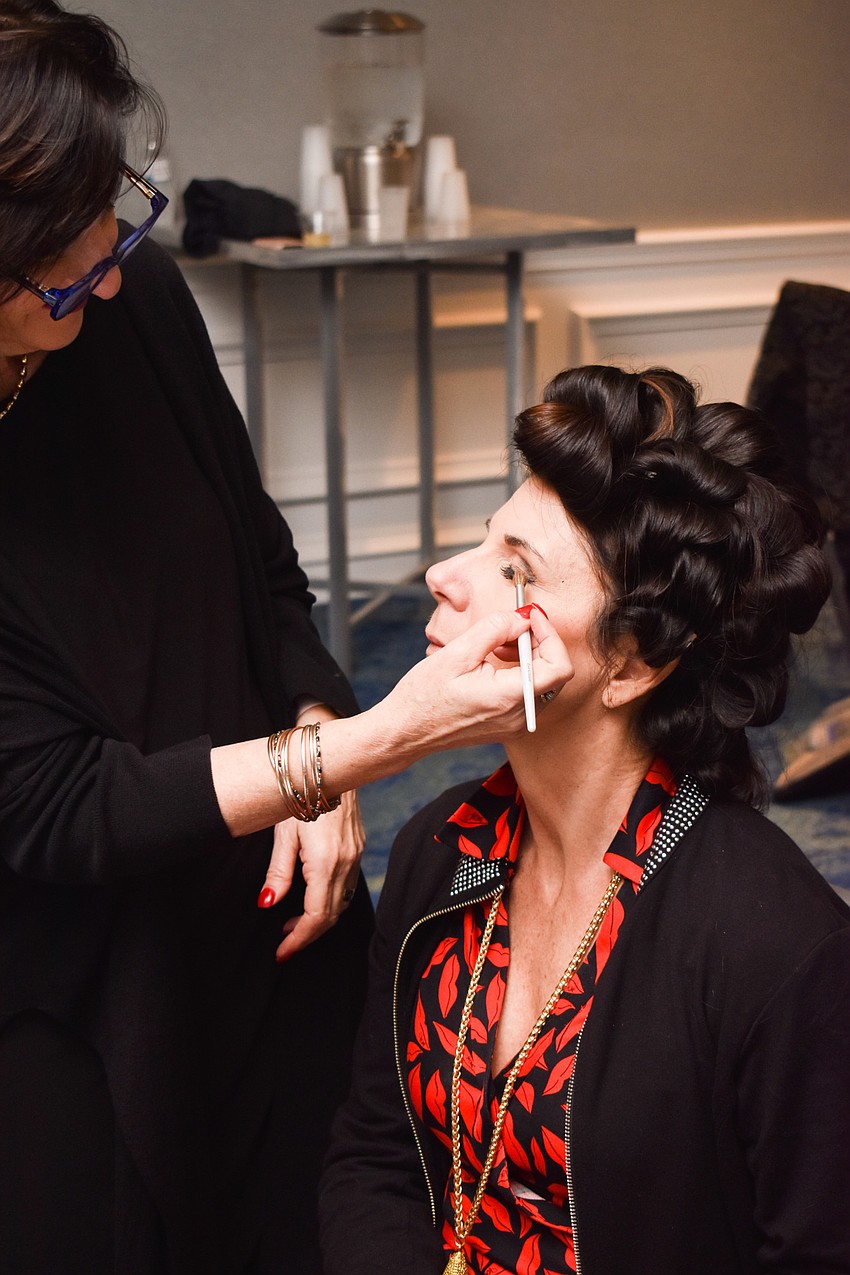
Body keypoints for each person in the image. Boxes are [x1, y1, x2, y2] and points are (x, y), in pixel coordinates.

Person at [0, 4, 564, 1271]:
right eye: (56, 253)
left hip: (273, 894)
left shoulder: (128, 293)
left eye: (113, 204)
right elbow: (52, 806)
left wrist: (314, 732)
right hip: (73, 976)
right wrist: (365, 748)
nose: (103, 250)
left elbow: (259, 556)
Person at [320, 364, 850, 1275]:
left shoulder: (780, 946)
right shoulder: (437, 848)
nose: (444, 577)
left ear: (633, 662)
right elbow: (377, 1156)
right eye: (485, 544)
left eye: (516, 569)